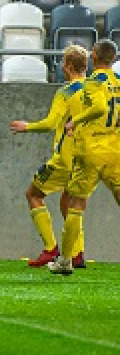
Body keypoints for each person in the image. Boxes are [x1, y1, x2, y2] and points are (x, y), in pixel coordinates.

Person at [10, 45, 88, 268]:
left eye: (64, 63)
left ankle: (50, 248)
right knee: (71, 203)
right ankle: (77, 253)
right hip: (87, 158)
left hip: (65, 158)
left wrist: (27, 127)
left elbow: (51, 123)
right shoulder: (94, 90)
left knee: (33, 194)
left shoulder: (66, 91)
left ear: (69, 66)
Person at [50, 39, 120, 275]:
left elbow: (99, 108)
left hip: (92, 150)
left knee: (76, 203)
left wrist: (75, 121)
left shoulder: (92, 82)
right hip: (115, 151)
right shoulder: (119, 82)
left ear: (93, 56)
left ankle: (66, 261)